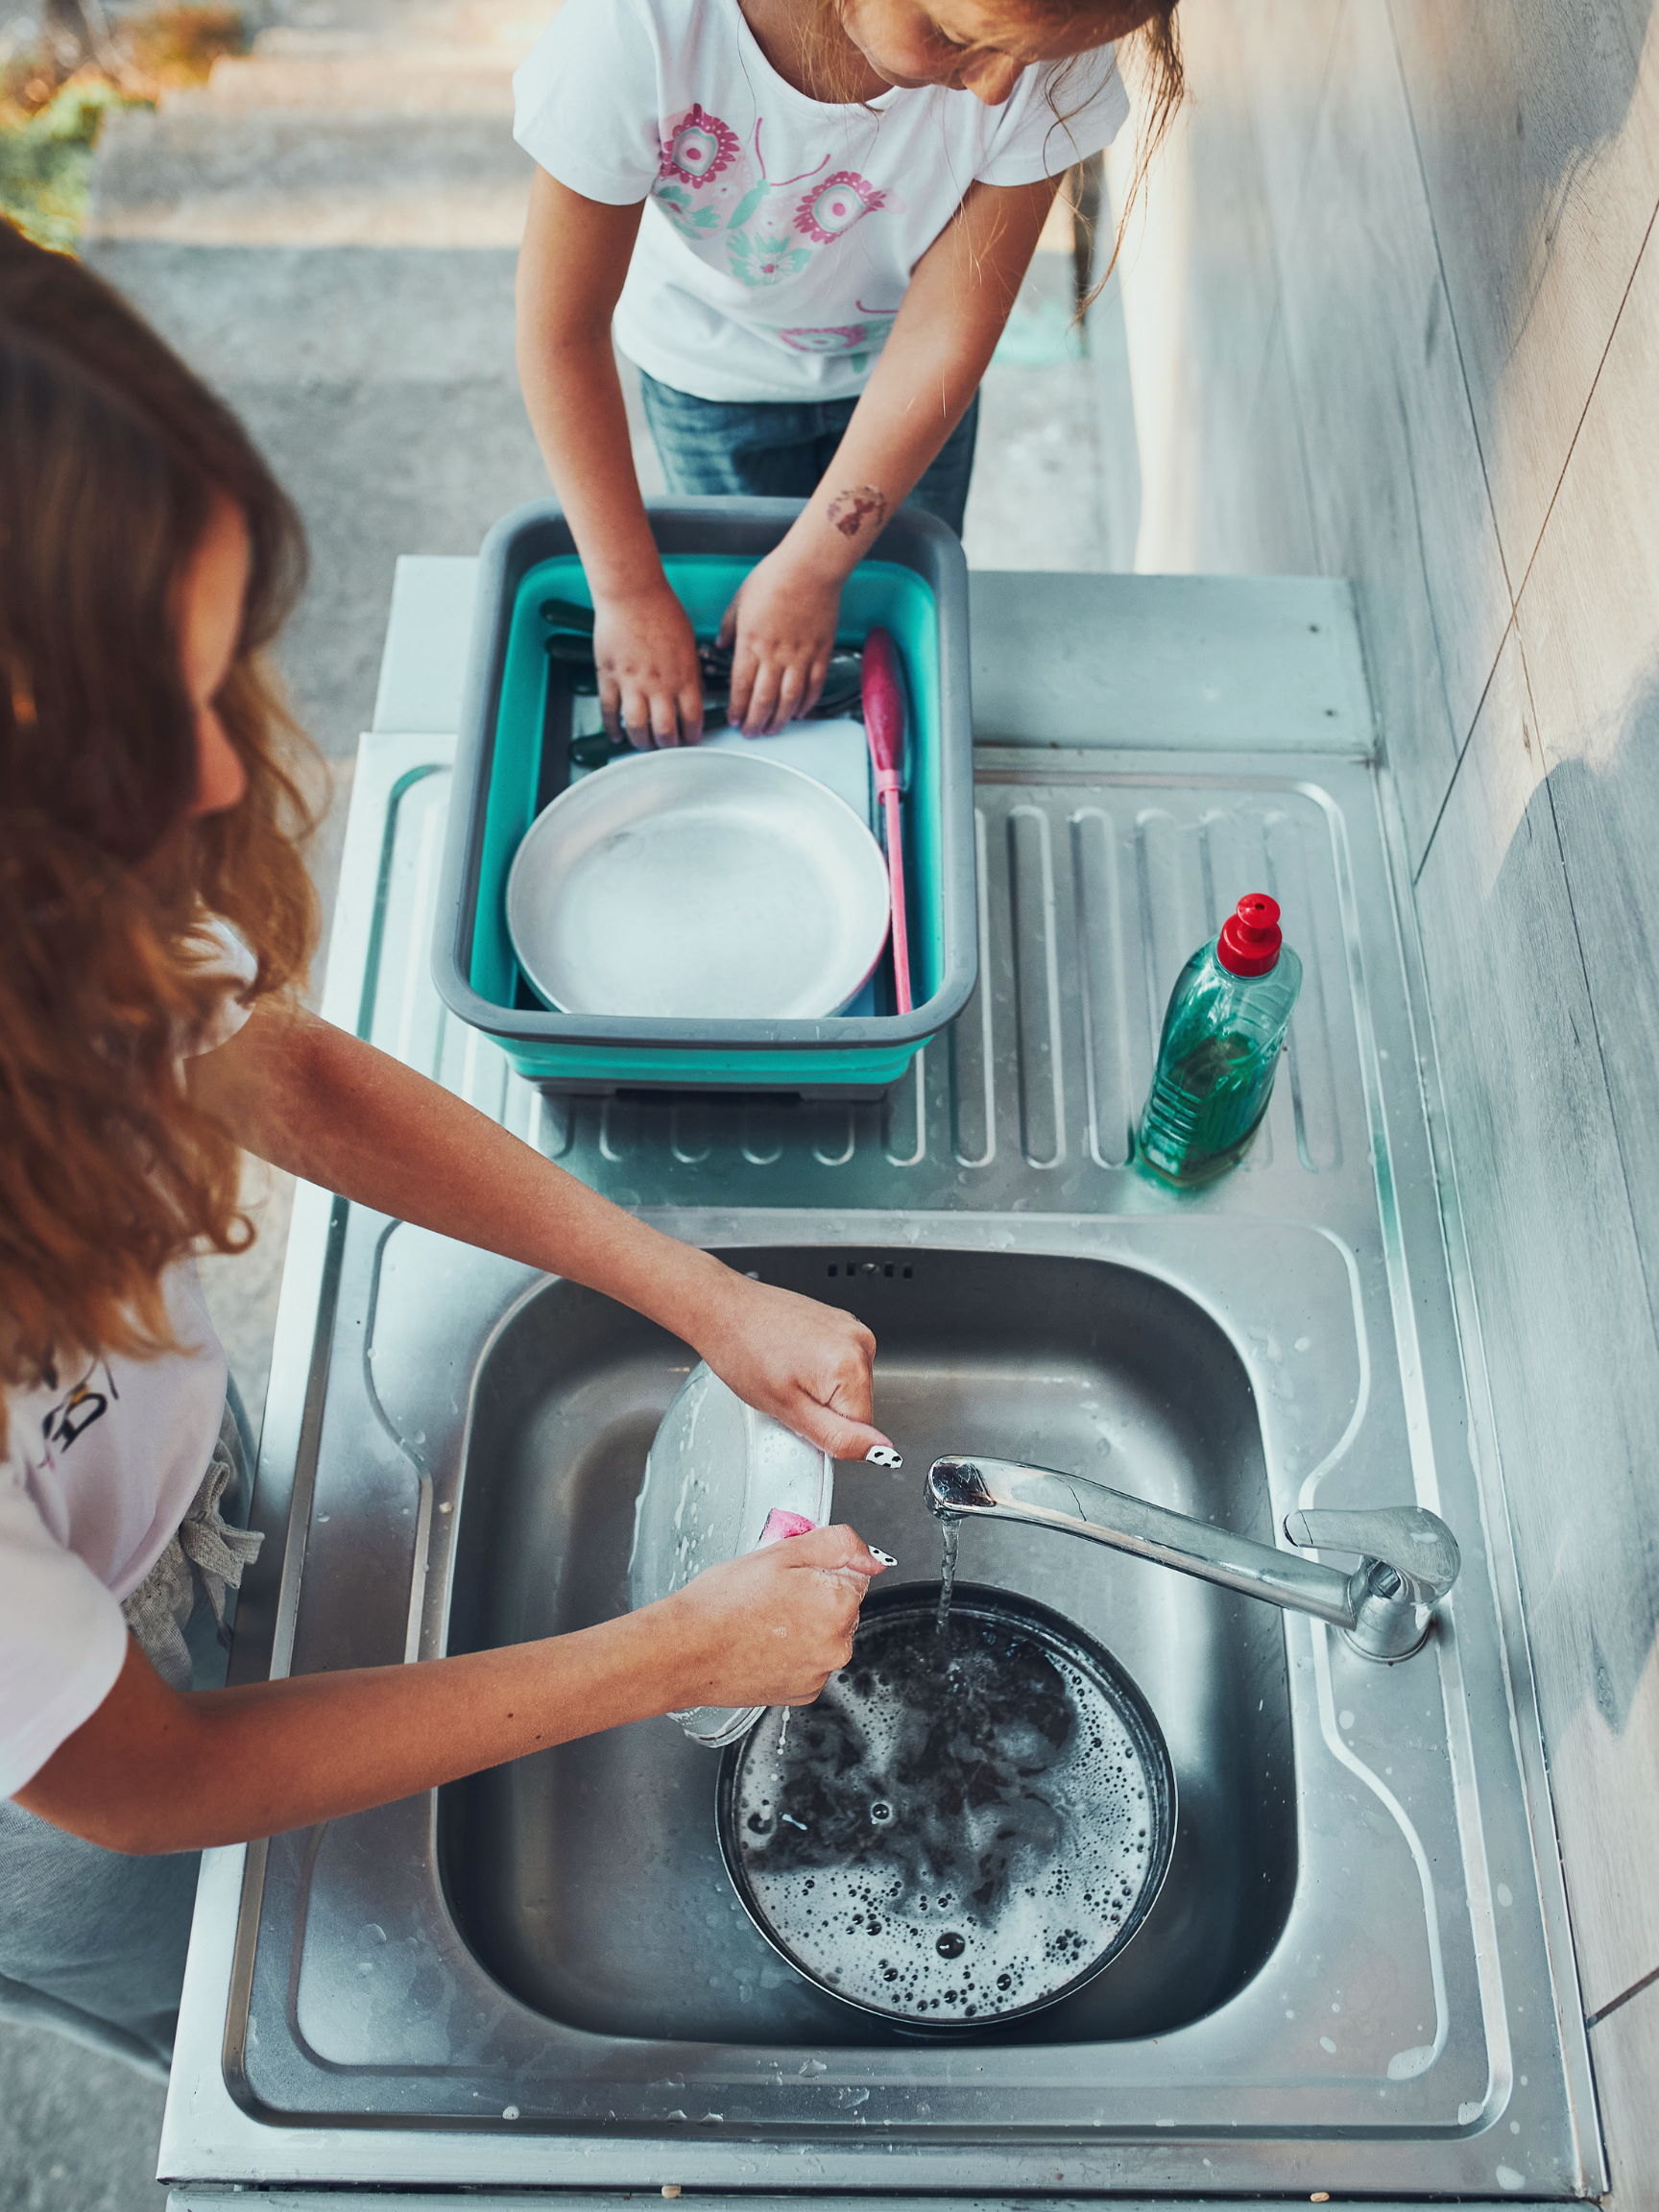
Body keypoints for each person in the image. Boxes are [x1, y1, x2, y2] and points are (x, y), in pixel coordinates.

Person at [0, 222, 894, 2071]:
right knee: (218, 1987)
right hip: (55, 1809)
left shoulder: (46, 909)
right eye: (133, 731)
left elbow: (275, 1074)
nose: (223, 783)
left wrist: (697, 1291)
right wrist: (671, 1653)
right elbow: (145, 1779)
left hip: (166, 1488)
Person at [513, 0, 1181, 748]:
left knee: (863, 604)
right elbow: (559, 335)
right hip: (709, 374)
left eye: (1024, 58)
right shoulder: (636, 27)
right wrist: (628, 591)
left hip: (907, 387)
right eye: (958, 39)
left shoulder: (1045, 32)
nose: (999, 88)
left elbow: (947, 335)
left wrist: (813, 570)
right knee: (738, 621)